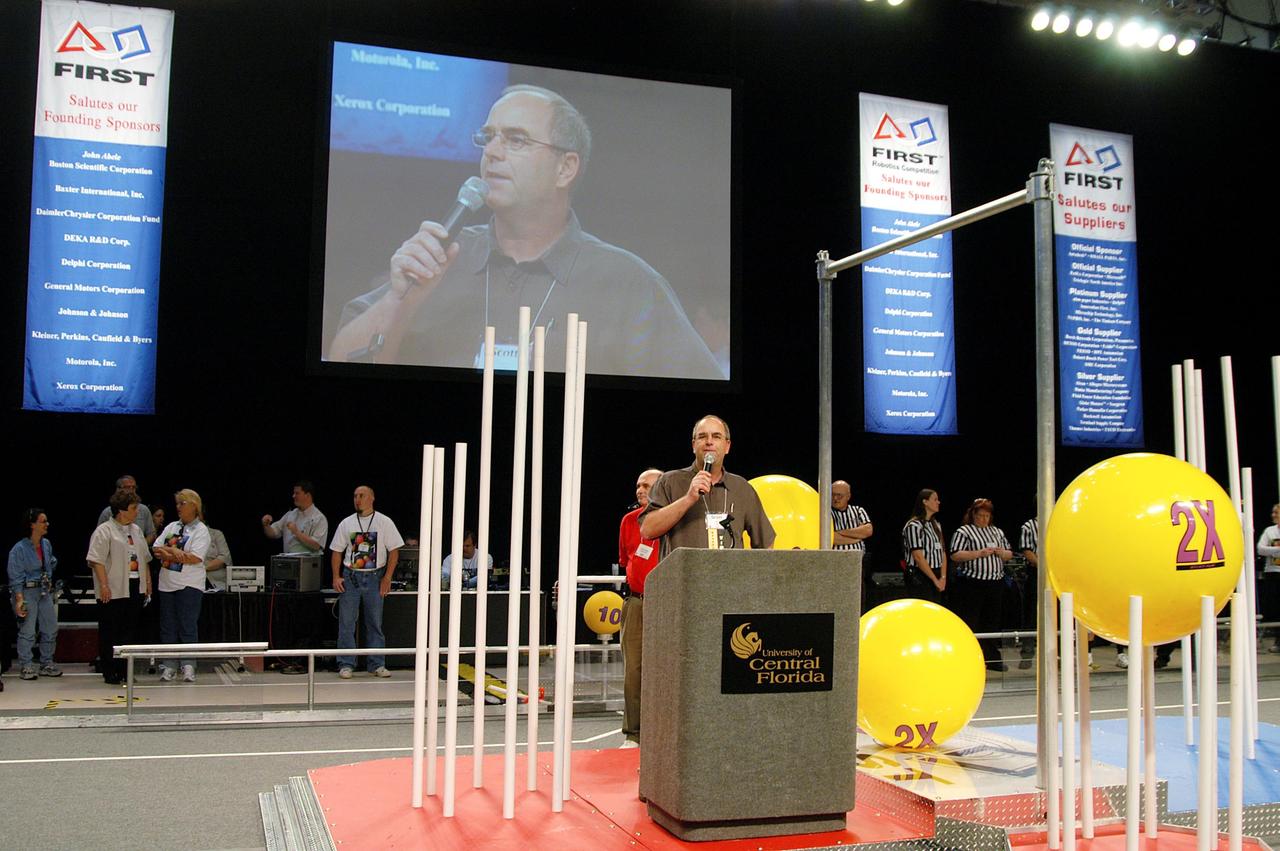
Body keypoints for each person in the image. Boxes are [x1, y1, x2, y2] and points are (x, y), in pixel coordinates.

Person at [328, 85, 722, 380]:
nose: (492, 152)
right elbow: (341, 360)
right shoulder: (438, 260)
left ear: (565, 168)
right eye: (487, 137)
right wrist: (400, 300)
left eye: (515, 140)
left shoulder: (626, 283)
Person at [640, 415, 775, 556]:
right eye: (702, 436)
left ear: (727, 446)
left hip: (728, 571)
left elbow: (766, 544)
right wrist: (688, 499)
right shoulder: (669, 481)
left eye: (716, 436)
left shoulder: (741, 487)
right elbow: (647, 530)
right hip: (684, 571)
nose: (709, 442)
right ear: (693, 445)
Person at [330, 485, 404, 679]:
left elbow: (394, 551)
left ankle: (377, 663)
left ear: (372, 498)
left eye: (362, 496)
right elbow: (336, 551)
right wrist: (336, 576)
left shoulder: (384, 522)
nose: (358, 499)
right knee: (347, 622)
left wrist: (387, 577)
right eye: (355, 496)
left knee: (374, 622)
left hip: (374, 577)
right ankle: (346, 664)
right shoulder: (346, 523)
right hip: (351, 576)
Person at [87, 489, 153, 685]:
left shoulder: (136, 530)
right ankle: (110, 671)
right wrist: (104, 585)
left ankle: (126, 670)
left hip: (135, 585)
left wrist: (148, 582)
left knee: (129, 630)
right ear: (122, 510)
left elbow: (145, 558)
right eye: (133, 508)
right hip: (114, 587)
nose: (137, 512)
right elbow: (96, 560)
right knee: (110, 630)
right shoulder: (104, 530)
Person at [618, 468, 662, 747]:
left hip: (666, 604)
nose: (639, 490)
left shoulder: (676, 517)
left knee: (667, 668)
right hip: (635, 602)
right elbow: (626, 560)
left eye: (646, 485)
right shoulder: (628, 521)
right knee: (633, 669)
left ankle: (663, 731)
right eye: (638, 485)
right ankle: (633, 734)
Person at [949, 498, 1015, 671]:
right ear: (973, 515)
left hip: (995, 583)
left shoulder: (997, 531)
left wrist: (1002, 553)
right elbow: (955, 555)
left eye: (987, 516)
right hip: (973, 583)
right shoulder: (964, 531)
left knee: (992, 622)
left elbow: (1010, 553)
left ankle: (992, 658)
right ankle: (969, 658)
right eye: (980, 516)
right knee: (971, 621)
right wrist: (978, 553)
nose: (984, 519)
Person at [153, 489, 211, 682]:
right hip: (166, 584)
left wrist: (171, 553)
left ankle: (188, 665)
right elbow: (156, 548)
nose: (178, 507)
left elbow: (195, 557)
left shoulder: (201, 530)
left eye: (182, 503)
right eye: (177, 503)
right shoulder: (171, 526)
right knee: (168, 627)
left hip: (189, 585)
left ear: (194, 505)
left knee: (187, 626)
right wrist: (174, 552)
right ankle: (169, 665)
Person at [8, 508, 61, 680]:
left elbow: (51, 562)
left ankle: (46, 662)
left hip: (44, 591)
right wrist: (19, 599)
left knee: (50, 628)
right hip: (27, 592)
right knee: (28, 630)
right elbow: (15, 576)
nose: (47, 524)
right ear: (32, 525)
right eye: (43, 521)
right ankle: (26, 665)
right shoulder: (19, 549)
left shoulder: (46, 544)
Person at [902, 489, 947, 603]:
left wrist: (942, 577)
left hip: (937, 573)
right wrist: (934, 580)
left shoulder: (936, 525)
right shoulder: (914, 526)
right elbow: (918, 557)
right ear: (925, 502)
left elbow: (942, 552)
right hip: (920, 575)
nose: (938, 502)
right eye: (935, 499)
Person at [261, 481, 329, 555]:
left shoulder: (319, 518)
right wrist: (266, 525)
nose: (293, 496)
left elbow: (317, 545)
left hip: (308, 561)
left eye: (297, 493)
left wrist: (296, 532)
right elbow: (273, 533)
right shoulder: (290, 515)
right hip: (288, 560)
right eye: (294, 493)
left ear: (307, 495)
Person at [96, 474, 157, 545]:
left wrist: (139, 547)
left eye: (134, 487)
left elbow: (151, 533)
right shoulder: (106, 517)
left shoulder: (137, 528)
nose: (131, 490)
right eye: (127, 487)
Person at [1257, 504, 1280, 653]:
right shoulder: (1269, 531)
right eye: (1273, 512)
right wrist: (1277, 550)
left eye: (1276, 512)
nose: (1273, 515)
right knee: (1274, 607)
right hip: (1272, 573)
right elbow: (1260, 549)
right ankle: (1277, 640)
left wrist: (1271, 551)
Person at [831, 480, 873, 552]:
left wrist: (840, 532)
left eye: (839, 495)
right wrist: (856, 538)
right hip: (834, 556)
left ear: (848, 496)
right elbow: (830, 538)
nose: (835, 498)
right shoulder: (826, 514)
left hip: (858, 556)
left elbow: (868, 530)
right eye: (832, 495)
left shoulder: (858, 510)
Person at [203, 526, 233, 592]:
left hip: (217, 583)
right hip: (191, 582)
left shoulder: (216, 534)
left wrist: (201, 569)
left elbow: (224, 558)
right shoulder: (183, 534)